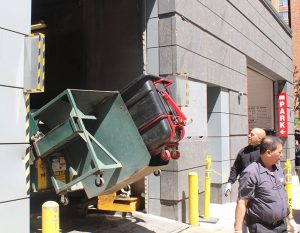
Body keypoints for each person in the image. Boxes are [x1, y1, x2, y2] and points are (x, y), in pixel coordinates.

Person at [234, 136, 290, 233]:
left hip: (281, 225)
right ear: (268, 153)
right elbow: (242, 202)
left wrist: (288, 220)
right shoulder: (251, 172)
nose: (281, 155)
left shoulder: (278, 169)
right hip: (262, 227)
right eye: (279, 152)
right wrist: (238, 229)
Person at [224, 128, 266, 196]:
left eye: (252, 135)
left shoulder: (265, 152)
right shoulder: (243, 151)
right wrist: (230, 182)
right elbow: (236, 168)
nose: (248, 136)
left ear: (260, 139)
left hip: (260, 190)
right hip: (244, 187)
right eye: (249, 134)